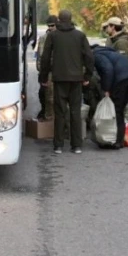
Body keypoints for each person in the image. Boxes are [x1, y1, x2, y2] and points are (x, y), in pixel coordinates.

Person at [39, 10, 93, 155]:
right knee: (75, 111)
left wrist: (43, 77)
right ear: (71, 19)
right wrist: (87, 75)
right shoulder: (80, 36)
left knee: (60, 112)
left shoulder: (53, 35)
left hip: (59, 78)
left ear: (59, 20)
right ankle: (76, 146)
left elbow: (45, 58)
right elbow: (88, 56)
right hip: (76, 79)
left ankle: (58, 145)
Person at [91, 45, 128, 149]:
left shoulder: (97, 55)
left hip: (121, 80)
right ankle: (119, 138)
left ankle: (116, 141)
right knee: (120, 109)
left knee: (117, 110)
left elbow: (108, 70)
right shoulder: (108, 52)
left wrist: (106, 89)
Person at [102, 16, 128, 121]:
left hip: (121, 77)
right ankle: (120, 126)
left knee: (122, 103)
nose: (106, 29)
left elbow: (122, 63)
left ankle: (126, 126)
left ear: (113, 27)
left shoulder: (122, 42)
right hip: (115, 77)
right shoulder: (112, 40)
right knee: (117, 103)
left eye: (108, 26)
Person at [35, 15, 58, 121]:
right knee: (46, 96)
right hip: (47, 71)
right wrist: (41, 70)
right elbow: (41, 55)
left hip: (58, 70)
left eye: (52, 25)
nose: (50, 27)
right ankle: (48, 118)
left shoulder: (60, 36)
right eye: (48, 26)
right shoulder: (44, 38)